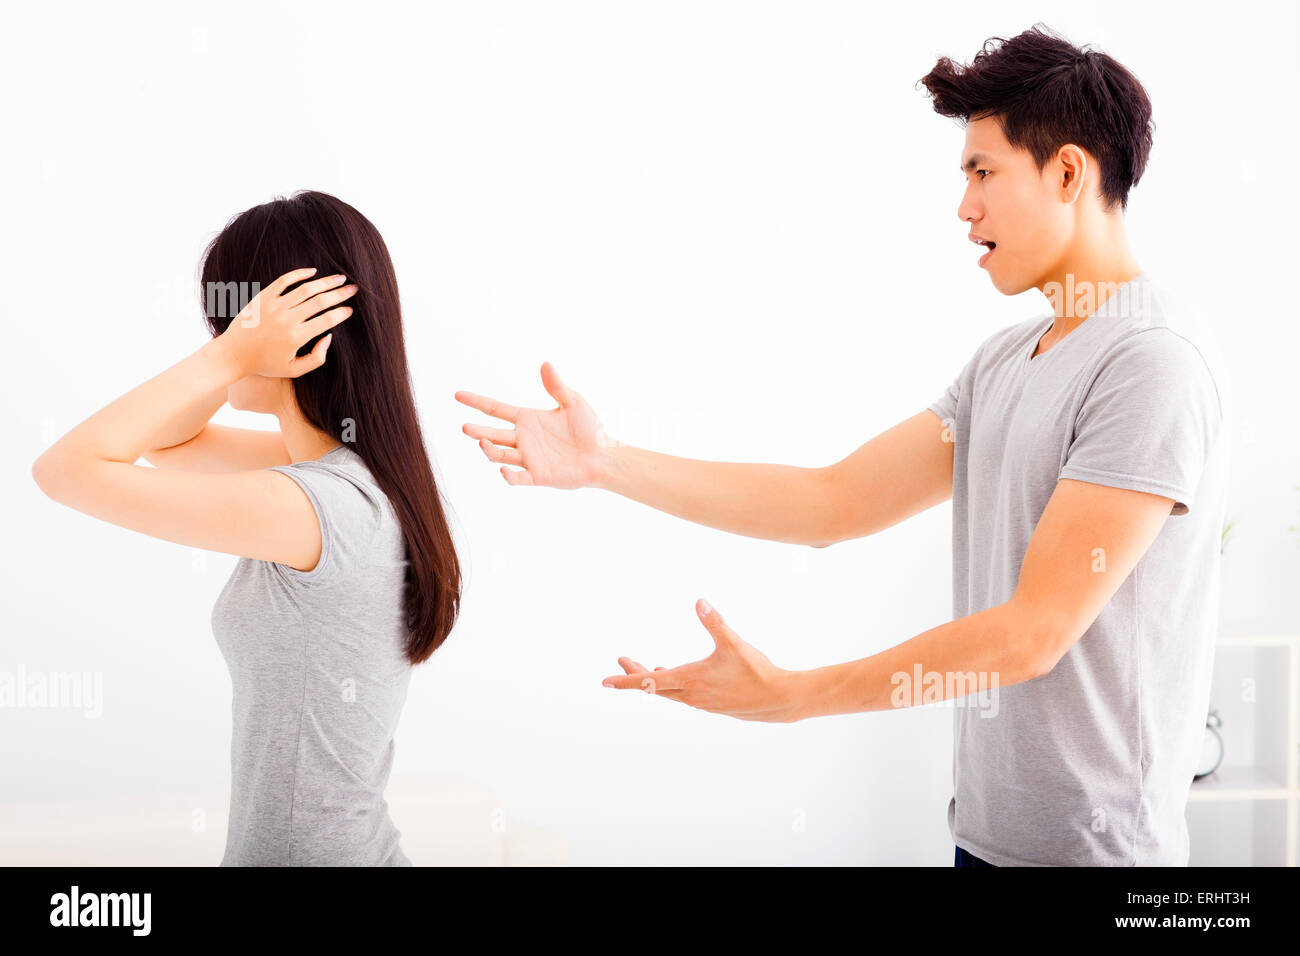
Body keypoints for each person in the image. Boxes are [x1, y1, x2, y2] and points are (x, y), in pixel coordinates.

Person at [455, 25, 1230, 866]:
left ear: (1069, 172)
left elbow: (1033, 633)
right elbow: (835, 501)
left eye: (983, 172)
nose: (964, 207)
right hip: (985, 840)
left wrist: (796, 697)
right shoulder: (1007, 360)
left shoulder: (1150, 365)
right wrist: (606, 463)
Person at [32, 190, 462, 866]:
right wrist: (236, 354)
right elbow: (170, 446)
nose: (219, 340)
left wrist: (229, 359)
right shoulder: (360, 476)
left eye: (229, 321)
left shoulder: (319, 506)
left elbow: (63, 470)